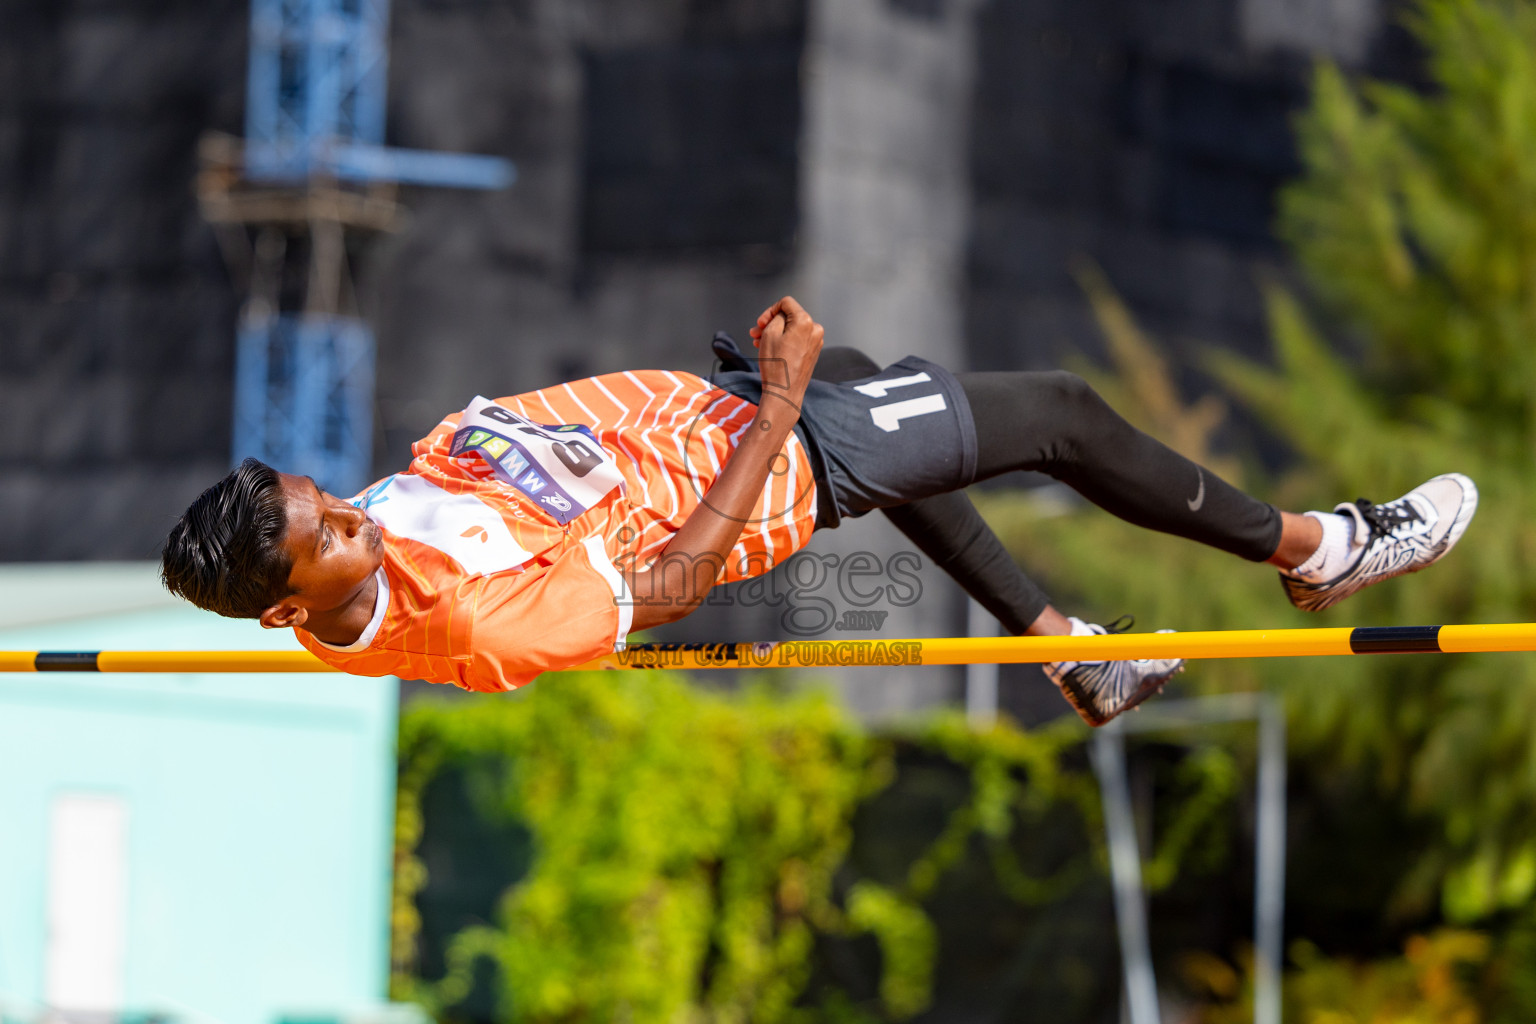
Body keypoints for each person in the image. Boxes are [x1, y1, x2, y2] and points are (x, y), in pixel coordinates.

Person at [160, 297, 1477, 726]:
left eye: (328, 494)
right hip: (775, 461)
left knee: (879, 399)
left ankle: (1069, 642)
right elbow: (674, 587)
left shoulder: (346, 546)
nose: (357, 518)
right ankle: (1326, 550)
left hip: (718, 413)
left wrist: (759, 391)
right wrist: (783, 405)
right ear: (289, 607)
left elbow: (453, 487)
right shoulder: (481, 630)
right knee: (1064, 411)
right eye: (330, 533)